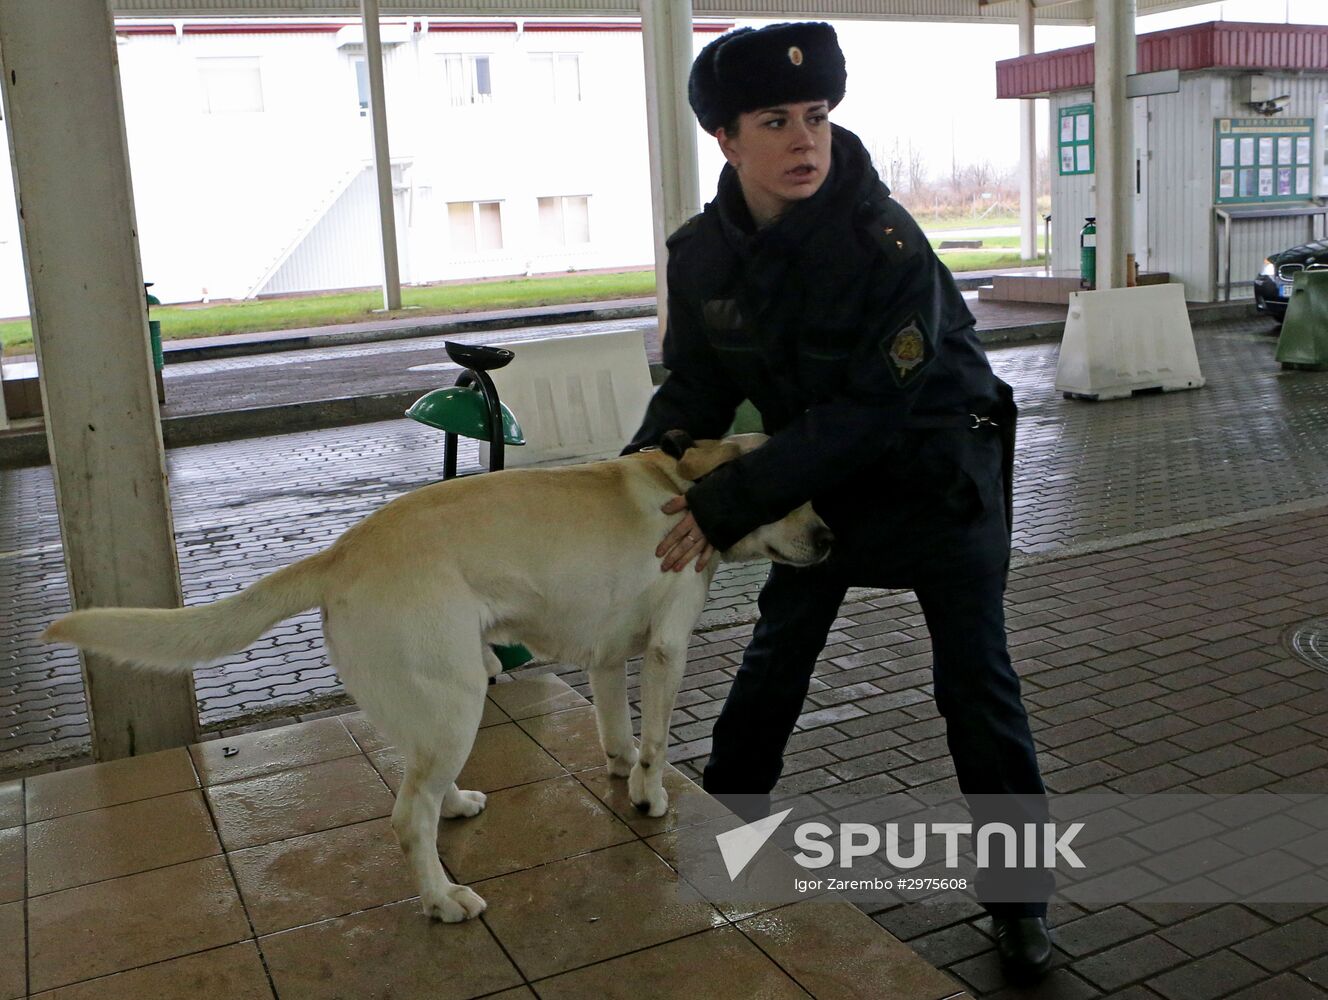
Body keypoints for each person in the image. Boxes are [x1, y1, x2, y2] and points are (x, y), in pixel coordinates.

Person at [623, 21, 1053, 985]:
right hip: (817, 476)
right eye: (775, 120)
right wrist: (623, 484)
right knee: (778, 654)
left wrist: (732, 497)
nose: (804, 139)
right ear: (727, 141)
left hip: (941, 472)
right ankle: (725, 835)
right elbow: (693, 388)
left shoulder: (886, 243)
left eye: (816, 115)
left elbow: (874, 406)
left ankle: (1021, 904)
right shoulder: (700, 258)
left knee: (975, 684)